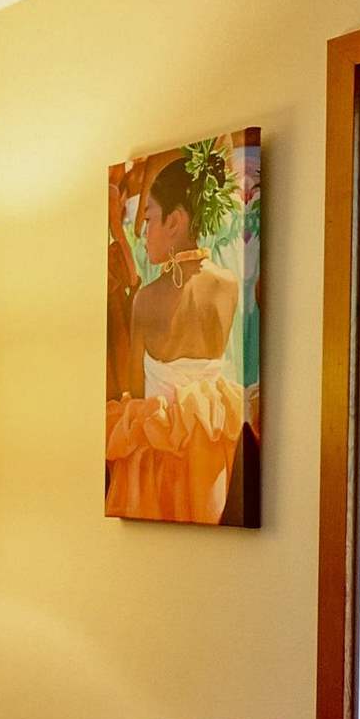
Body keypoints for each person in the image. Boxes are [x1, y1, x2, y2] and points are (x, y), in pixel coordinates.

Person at [106, 143, 248, 523]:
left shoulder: (148, 300)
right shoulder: (229, 285)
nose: (145, 231)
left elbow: (135, 387)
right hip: (209, 445)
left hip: (157, 452)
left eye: (150, 219)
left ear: (175, 221)